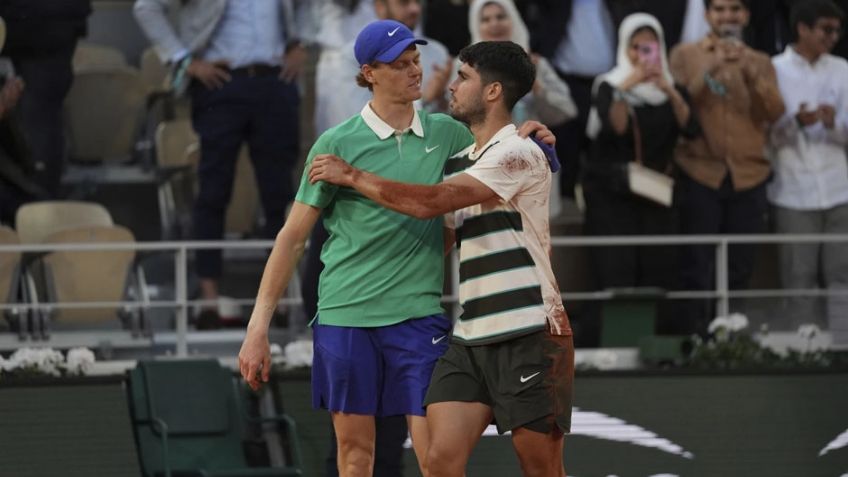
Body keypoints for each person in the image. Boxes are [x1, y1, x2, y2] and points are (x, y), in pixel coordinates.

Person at [238, 21, 554, 477]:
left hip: (419, 317)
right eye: (399, 65)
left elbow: (498, 147)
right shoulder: (336, 143)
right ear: (369, 73)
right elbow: (292, 237)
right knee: (355, 458)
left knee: (435, 460)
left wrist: (533, 134)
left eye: (415, 62)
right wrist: (257, 328)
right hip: (346, 314)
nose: (414, 72)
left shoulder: (449, 134)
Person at [134, 0, 307, 327]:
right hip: (221, 80)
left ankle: (280, 298)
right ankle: (209, 297)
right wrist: (184, 60)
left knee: (279, 195)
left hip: (274, 79)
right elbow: (146, 7)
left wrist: (300, 44)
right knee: (213, 190)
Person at [669, 0, 784, 335]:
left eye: (735, 9)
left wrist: (749, 72)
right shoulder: (684, 55)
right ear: (707, 15)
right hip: (699, 170)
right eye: (719, 9)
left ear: (746, 15)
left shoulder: (761, 60)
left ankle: (732, 339)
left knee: (741, 264)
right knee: (697, 262)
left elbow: (774, 113)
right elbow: (681, 107)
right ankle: (697, 339)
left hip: (749, 174)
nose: (727, 16)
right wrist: (713, 68)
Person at [583, 13, 698, 331]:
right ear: (624, 48)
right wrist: (627, 86)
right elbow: (614, 129)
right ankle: (617, 342)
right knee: (616, 267)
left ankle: (655, 342)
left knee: (659, 267)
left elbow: (690, 128)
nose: (641, 55)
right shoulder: (609, 84)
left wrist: (669, 89)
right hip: (614, 196)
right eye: (635, 47)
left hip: (657, 193)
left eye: (649, 47)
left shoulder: (672, 86)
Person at [768, 0, 848, 345]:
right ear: (802, 28)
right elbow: (765, 135)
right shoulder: (773, 68)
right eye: (825, 30)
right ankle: (804, 348)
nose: (833, 37)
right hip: (792, 187)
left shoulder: (843, 69)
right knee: (798, 277)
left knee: (841, 276)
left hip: (838, 187)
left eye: (836, 30)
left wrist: (833, 124)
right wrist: (795, 122)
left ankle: (843, 344)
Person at [0, 0, 91, 196]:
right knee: (40, 121)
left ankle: (39, 204)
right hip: (48, 24)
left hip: (39, 26)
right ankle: (39, 200)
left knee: (38, 122)